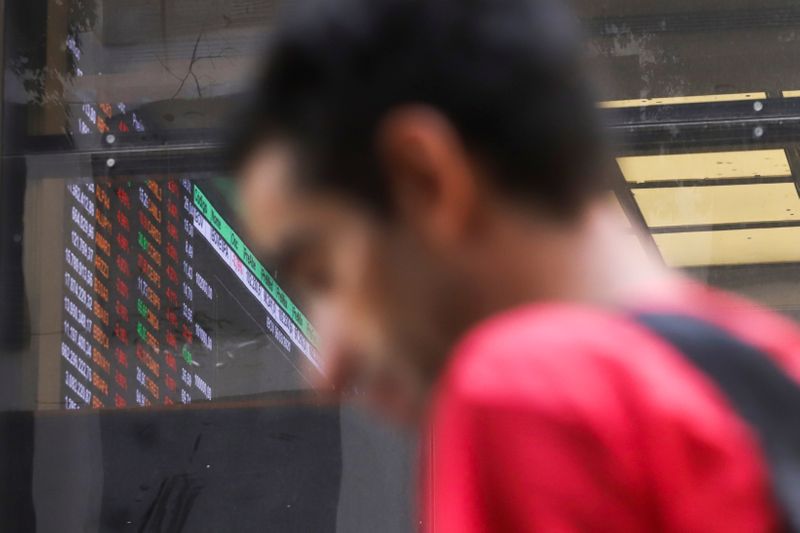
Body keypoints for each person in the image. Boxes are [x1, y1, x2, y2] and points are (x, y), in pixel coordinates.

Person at [232, 0, 800, 530]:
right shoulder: (775, 366)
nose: (326, 369)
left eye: (322, 272)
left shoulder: (529, 389)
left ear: (425, 179)